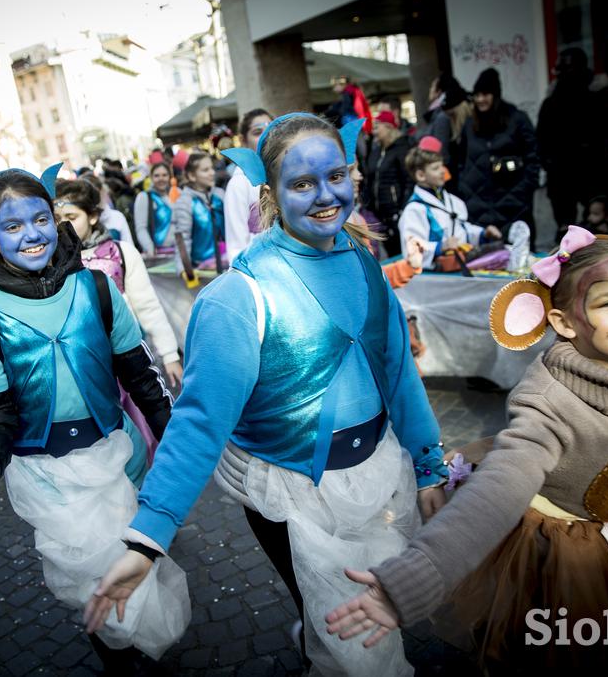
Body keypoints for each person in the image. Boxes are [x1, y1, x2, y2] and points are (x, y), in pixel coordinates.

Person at [85, 114, 448, 676]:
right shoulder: (238, 297)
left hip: (380, 476)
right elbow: (198, 425)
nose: (326, 195)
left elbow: (398, 372)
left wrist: (427, 464)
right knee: (356, 652)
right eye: (302, 183)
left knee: (369, 624)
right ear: (270, 194)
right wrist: (148, 540)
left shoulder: (363, 260)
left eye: (337, 175)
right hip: (292, 494)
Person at [327, 226, 608, 673]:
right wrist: (419, 575)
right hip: (564, 546)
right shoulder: (548, 400)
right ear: (564, 322)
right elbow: (502, 486)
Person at [0, 165, 187, 673]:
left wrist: (185, 446)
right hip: (49, 482)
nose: (32, 234)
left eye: (40, 219)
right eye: (12, 226)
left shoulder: (97, 288)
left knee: (135, 568)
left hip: (121, 457)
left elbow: (144, 380)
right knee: (94, 589)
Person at [53, 178, 183, 389]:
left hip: (128, 357)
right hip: (79, 366)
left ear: (93, 216)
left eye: (71, 217)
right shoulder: (50, 262)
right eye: (56, 218)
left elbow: (148, 307)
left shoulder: (121, 253)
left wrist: (169, 354)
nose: (63, 225)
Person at [537, 48, 608, 240]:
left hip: (594, 172)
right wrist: (547, 162)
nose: (562, 72)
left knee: (597, 227)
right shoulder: (552, 102)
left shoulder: (600, 97)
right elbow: (541, 138)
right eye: (560, 68)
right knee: (566, 230)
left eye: (568, 67)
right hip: (560, 175)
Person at [458, 68, 540, 240]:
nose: (480, 99)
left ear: (495, 95)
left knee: (518, 258)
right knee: (485, 261)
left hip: (515, 205)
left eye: (485, 94)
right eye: (477, 95)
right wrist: (464, 188)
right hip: (478, 207)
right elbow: (461, 159)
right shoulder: (470, 125)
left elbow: (533, 157)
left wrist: (524, 189)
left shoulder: (517, 119)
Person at [398, 136, 501, 269]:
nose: (443, 171)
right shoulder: (414, 210)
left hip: (459, 267)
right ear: (421, 175)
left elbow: (461, 231)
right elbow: (411, 250)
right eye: (435, 168)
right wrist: (441, 246)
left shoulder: (453, 201)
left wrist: (483, 234)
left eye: (442, 166)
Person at [224, 109, 273, 260]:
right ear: (243, 140)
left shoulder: (286, 173)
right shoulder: (238, 184)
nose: (267, 136)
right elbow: (236, 248)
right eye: (258, 132)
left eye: (271, 130)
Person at [363, 110, 413, 257]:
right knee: (392, 254)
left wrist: (402, 209)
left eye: (377, 127)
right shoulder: (376, 151)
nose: (374, 131)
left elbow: (409, 181)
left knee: (403, 253)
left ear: (389, 127)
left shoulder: (402, 148)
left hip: (396, 213)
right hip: (380, 215)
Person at [173, 152, 225, 270]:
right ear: (192, 175)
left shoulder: (220, 194)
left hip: (227, 262)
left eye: (212, 168)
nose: (212, 173)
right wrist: (185, 271)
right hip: (202, 268)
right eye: (205, 170)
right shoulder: (185, 202)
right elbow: (183, 239)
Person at [423, 73, 470, 183]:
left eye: (432, 87)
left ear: (439, 91)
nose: (430, 89)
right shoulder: (440, 115)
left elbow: (443, 154)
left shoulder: (442, 116)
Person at [132, 162, 175, 256]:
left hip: (179, 252)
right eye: (157, 176)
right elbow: (141, 228)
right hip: (157, 254)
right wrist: (149, 248)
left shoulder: (176, 194)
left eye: (164, 175)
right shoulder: (144, 197)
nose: (161, 179)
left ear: (169, 177)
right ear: (151, 178)